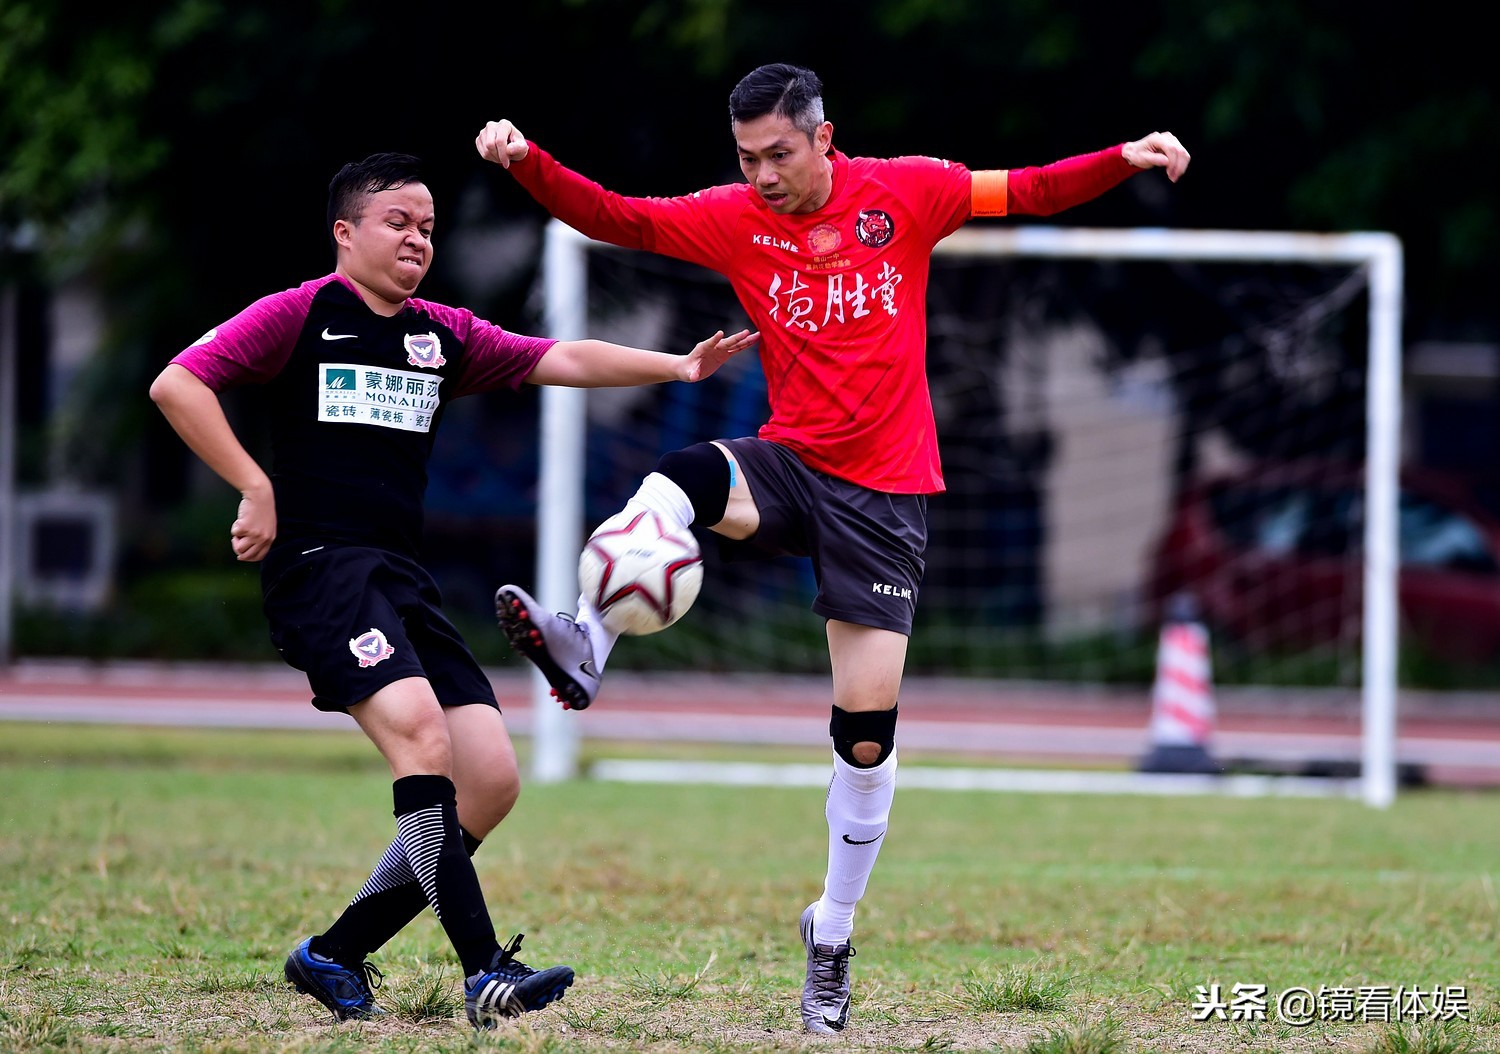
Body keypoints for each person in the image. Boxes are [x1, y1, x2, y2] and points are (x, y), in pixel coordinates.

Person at [476, 63, 1189, 1034]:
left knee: (863, 735)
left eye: (778, 153)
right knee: (683, 473)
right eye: (746, 157)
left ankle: (833, 925)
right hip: (789, 464)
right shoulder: (734, 217)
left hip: (887, 498)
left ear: (823, 138)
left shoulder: (908, 191)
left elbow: (1024, 187)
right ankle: (587, 639)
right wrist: (528, 164)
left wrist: (1124, 157)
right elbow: (620, 217)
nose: (763, 174)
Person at [148, 151, 757, 1030]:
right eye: (397, 222)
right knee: (425, 744)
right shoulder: (300, 315)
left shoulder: (441, 334)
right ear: (344, 233)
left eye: (429, 227)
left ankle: (333, 953)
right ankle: (484, 973)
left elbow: (563, 356)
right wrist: (254, 486)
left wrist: (677, 368)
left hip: (401, 576)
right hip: (323, 571)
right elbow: (178, 382)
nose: (417, 239)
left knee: (492, 781)